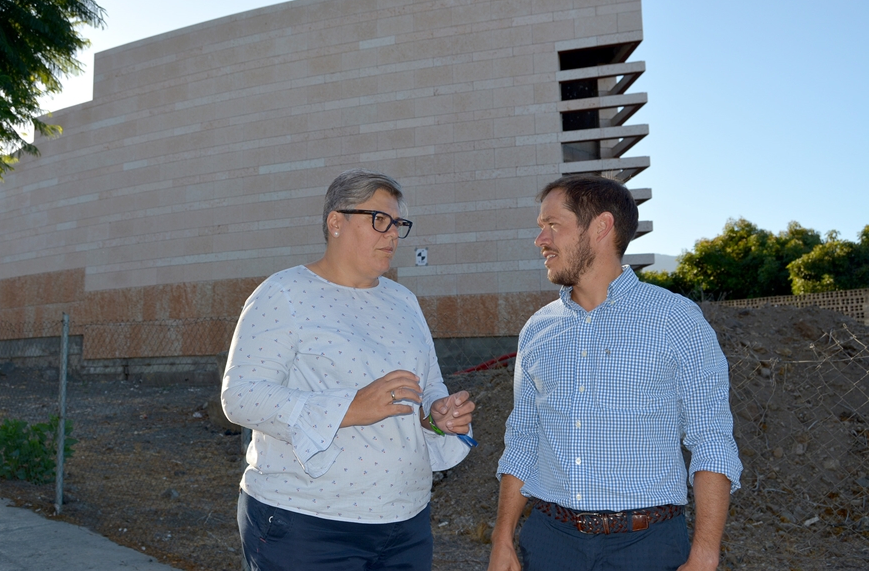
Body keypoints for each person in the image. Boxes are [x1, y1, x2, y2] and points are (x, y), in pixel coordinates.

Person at [221, 168, 475, 571]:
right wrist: (350, 407)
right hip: (307, 525)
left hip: (405, 522)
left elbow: (427, 386)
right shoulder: (284, 293)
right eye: (379, 220)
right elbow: (241, 396)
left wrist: (437, 414)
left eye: (398, 224)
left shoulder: (404, 301)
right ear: (335, 222)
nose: (392, 234)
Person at [488, 175, 742, 571]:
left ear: (601, 227)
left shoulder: (677, 320)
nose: (541, 240)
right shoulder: (537, 329)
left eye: (553, 225)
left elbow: (711, 439)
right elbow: (523, 438)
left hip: (648, 547)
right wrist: (502, 537)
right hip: (549, 542)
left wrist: (705, 554)